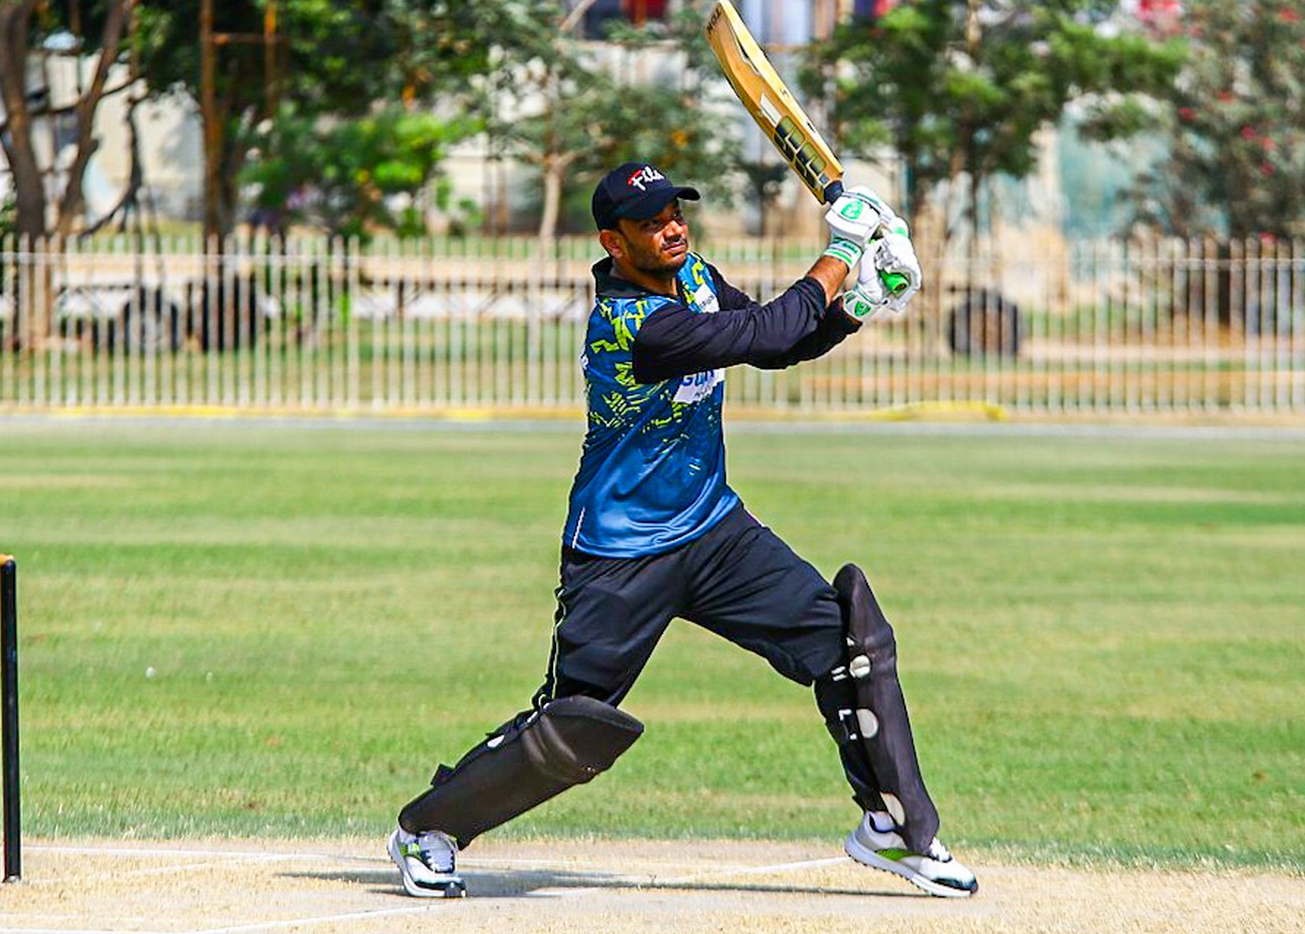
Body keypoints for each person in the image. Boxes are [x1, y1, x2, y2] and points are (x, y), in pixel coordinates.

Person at [387, 161, 976, 901]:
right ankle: (428, 828)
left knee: (849, 644)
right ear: (614, 241)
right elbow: (765, 327)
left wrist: (859, 301)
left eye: (676, 213)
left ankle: (895, 826)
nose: (672, 228)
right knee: (573, 723)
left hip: (715, 531)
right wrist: (841, 252)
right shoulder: (633, 325)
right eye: (651, 222)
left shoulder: (694, 277)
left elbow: (776, 344)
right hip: (621, 552)